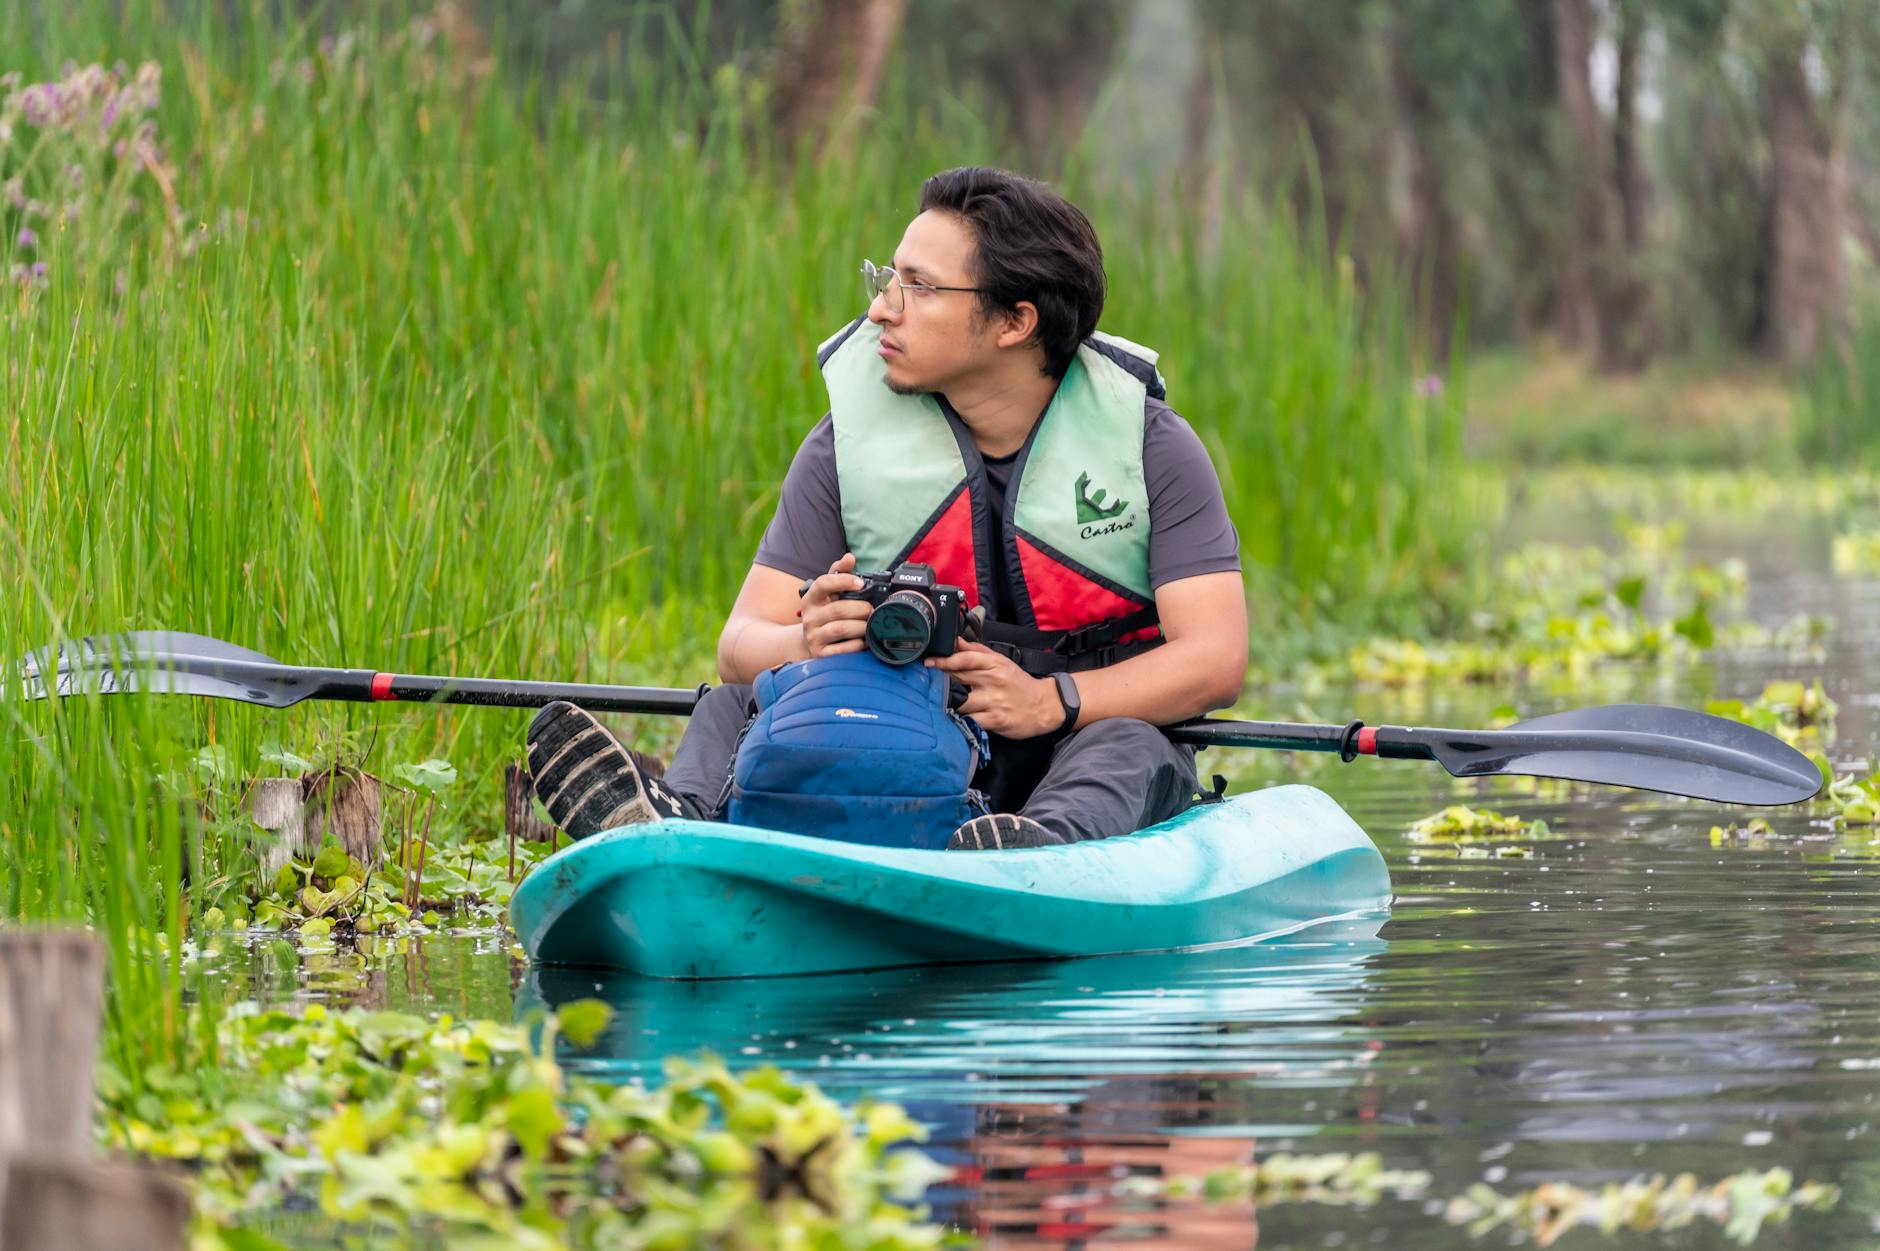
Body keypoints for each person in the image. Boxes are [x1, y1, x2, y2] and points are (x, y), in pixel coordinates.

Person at [528, 166, 1247, 850]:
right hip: (909, 742)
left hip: (1081, 743)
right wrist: (802, 642)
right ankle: (672, 822)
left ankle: (1035, 852)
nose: (880, 309)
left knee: (1127, 743)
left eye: (919, 287)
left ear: (1015, 322)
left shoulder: (1148, 447)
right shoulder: (846, 445)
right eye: (886, 278)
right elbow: (741, 641)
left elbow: (1215, 658)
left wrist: (1052, 700)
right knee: (737, 700)